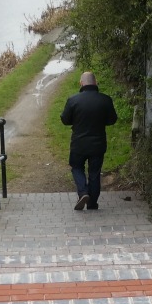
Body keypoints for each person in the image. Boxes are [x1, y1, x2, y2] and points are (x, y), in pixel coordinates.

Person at [60, 71, 118, 210]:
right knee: (94, 173)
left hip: (79, 144)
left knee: (76, 167)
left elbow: (65, 120)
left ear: (81, 83)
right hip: (98, 144)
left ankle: (83, 192)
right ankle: (92, 203)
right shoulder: (105, 100)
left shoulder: (73, 100)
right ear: (95, 83)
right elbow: (112, 120)